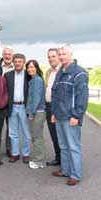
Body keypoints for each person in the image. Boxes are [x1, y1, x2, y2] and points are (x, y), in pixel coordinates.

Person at [51, 46, 88, 186]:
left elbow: (82, 97)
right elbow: (55, 94)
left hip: (70, 117)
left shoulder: (79, 73)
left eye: (64, 54)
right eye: (59, 54)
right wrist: (54, 113)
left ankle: (75, 175)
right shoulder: (60, 72)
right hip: (59, 116)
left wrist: (76, 115)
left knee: (73, 146)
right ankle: (65, 170)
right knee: (63, 145)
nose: (61, 56)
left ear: (71, 54)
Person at [4, 53, 31, 164]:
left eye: (20, 61)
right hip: (12, 106)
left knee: (26, 132)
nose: (17, 63)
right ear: (13, 63)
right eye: (15, 62)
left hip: (24, 107)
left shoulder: (29, 75)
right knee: (12, 132)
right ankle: (15, 154)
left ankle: (26, 154)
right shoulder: (8, 75)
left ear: (24, 63)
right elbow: (4, 93)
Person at [25, 60, 46, 169]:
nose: (30, 69)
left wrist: (31, 113)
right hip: (36, 112)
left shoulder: (37, 80)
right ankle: (40, 160)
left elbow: (36, 99)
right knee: (37, 137)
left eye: (32, 67)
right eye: (28, 67)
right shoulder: (33, 80)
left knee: (37, 138)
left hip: (37, 112)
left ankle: (39, 161)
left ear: (36, 68)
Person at [45, 48, 61, 166]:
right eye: (49, 57)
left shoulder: (63, 71)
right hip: (49, 107)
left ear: (59, 56)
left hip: (59, 108)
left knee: (62, 135)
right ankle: (58, 157)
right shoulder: (49, 72)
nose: (51, 59)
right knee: (54, 134)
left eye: (53, 56)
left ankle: (66, 161)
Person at [0, 47, 14, 157]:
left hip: (11, 102)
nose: (7, 56)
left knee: (11, 127)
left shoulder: (18, 67)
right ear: (2, 55)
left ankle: (9, 148)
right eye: (5, 54)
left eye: (9, 54)